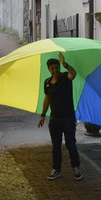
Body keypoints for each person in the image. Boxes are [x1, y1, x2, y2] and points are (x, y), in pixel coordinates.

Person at [38, 53, 82, 181]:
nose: (55, 70)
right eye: (52, 68)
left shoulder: (65, 77)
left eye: (56, 67)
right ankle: (56, 169)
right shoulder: (47, 82)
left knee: (70, 144)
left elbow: (73, 73)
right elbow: (47, 99)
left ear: (59, 67)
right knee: (55, 146)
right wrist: (42, 115)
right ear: (49, 70)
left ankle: (76, 167)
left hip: (68, 118)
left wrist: (65, 64)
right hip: (54, 119)